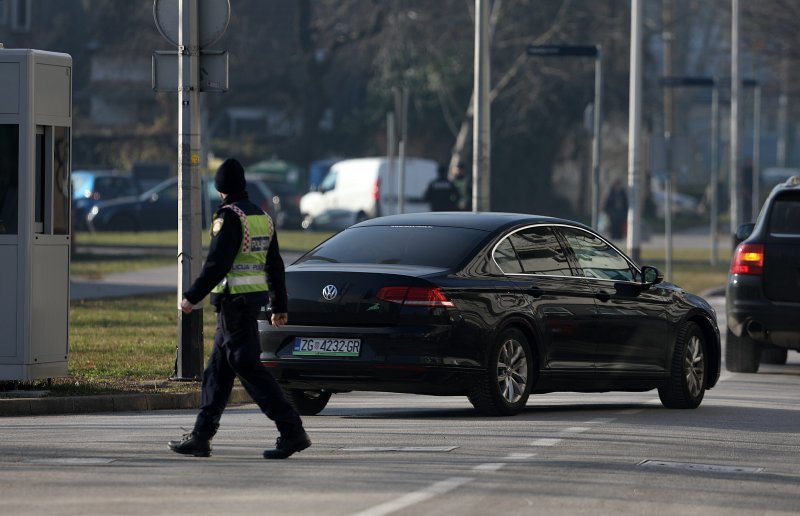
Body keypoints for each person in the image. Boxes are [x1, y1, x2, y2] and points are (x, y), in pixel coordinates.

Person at [168, 158, 310, 460]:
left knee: (248, 367)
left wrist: (192, 296)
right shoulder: (261, 216)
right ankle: (201, 435)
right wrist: (279, 305)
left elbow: (217, 264)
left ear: (221, 189)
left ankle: (291, 430)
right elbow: (275, 264)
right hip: (247, 304)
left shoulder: (229, 217)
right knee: (217, 373)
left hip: (235, 305)